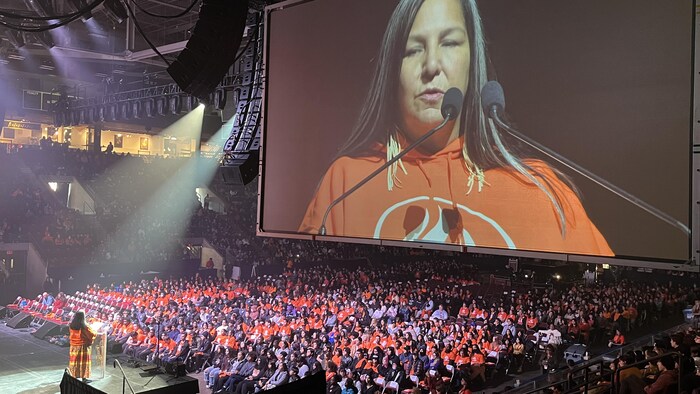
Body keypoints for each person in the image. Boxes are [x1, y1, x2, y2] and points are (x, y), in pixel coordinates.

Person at [299, 0, 612, 257]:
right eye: (412, 49)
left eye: (449, 43)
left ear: (473, 61)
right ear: (391, 71)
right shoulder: (346, 184)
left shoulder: (541, 193)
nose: (432, 65)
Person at [68, 311, 97, 382]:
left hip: (73, 346)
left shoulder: (71, 324)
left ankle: (73, 376)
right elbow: (92, 334)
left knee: (74, 362)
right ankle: (84, 378)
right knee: (83, 363)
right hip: (82, 347)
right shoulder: (84, 326)